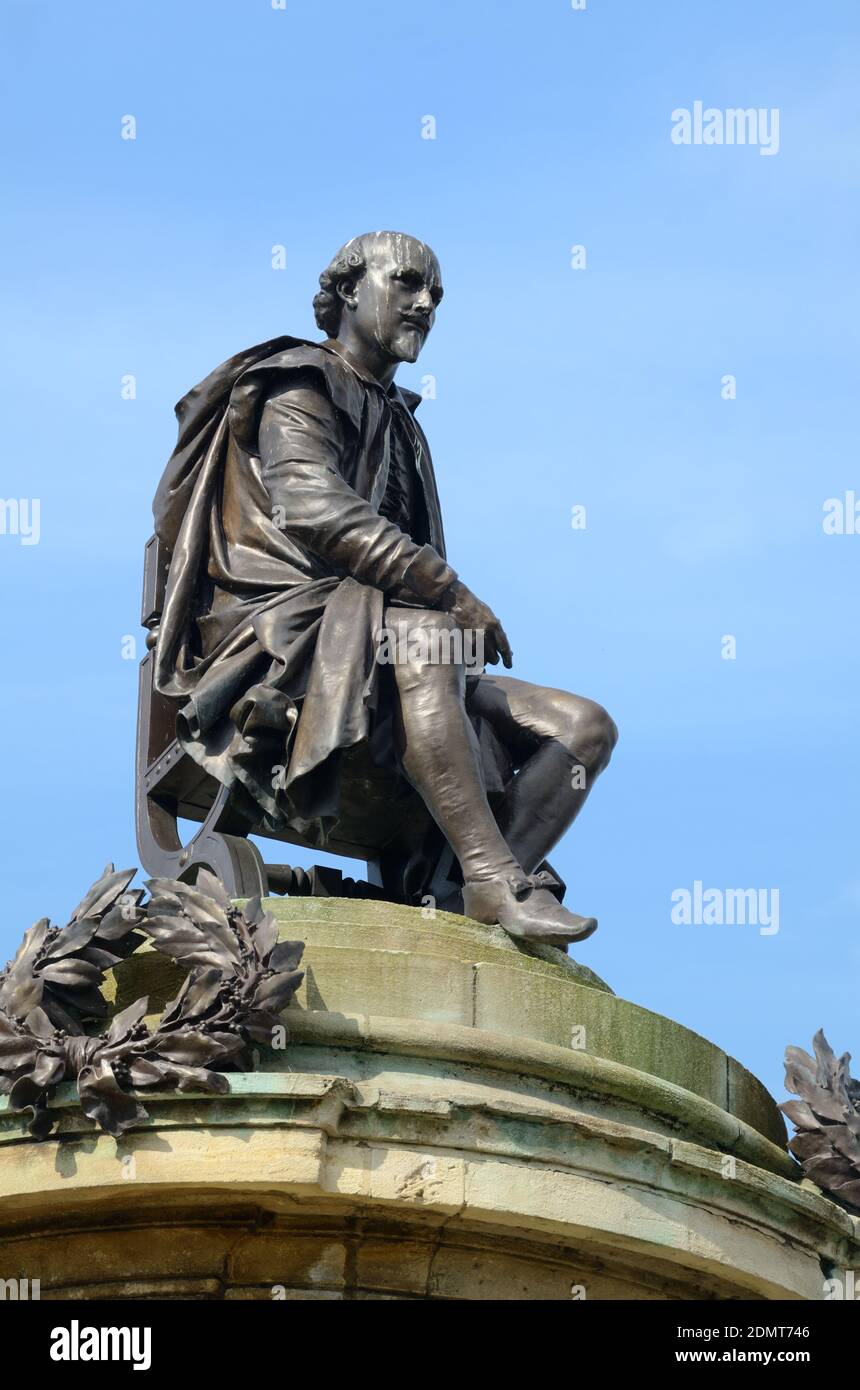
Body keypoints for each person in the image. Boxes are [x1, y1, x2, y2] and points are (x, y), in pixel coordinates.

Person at [152, 232, 617, 944]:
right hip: (277, 635)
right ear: (346, 291)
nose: (424, 303)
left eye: (435, 294)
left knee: (583, 727)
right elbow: (312, 508)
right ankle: (496, 881)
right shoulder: (298, 381)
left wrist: (444, 611)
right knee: (432, 635)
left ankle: (460, 893)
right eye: (405, 283)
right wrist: (450, 591)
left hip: (386, 644)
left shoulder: (404, 424)